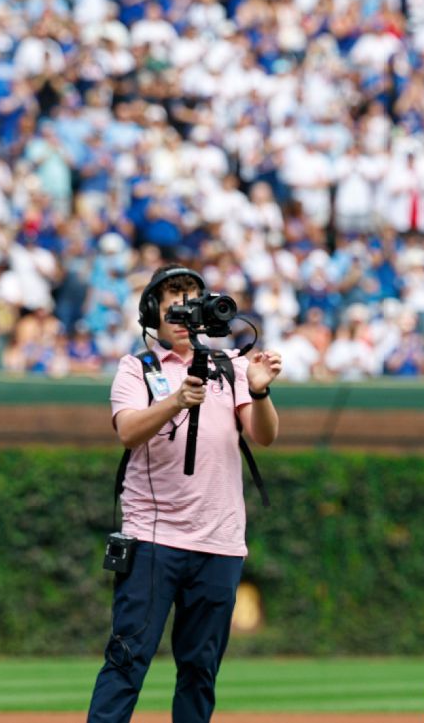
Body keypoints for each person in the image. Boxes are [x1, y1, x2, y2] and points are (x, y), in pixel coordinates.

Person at [87, 264, 282, 723]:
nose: (183, 312)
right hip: (152, 538)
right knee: (127, 658)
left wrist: (260, 391)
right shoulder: (137, 367)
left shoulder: (230, 365)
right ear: (152, 312)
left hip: (219, 542)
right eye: (172, 302)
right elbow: (128, 431)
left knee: (200, 670)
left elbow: (265, 435)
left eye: (191, 301)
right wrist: (175, 401)